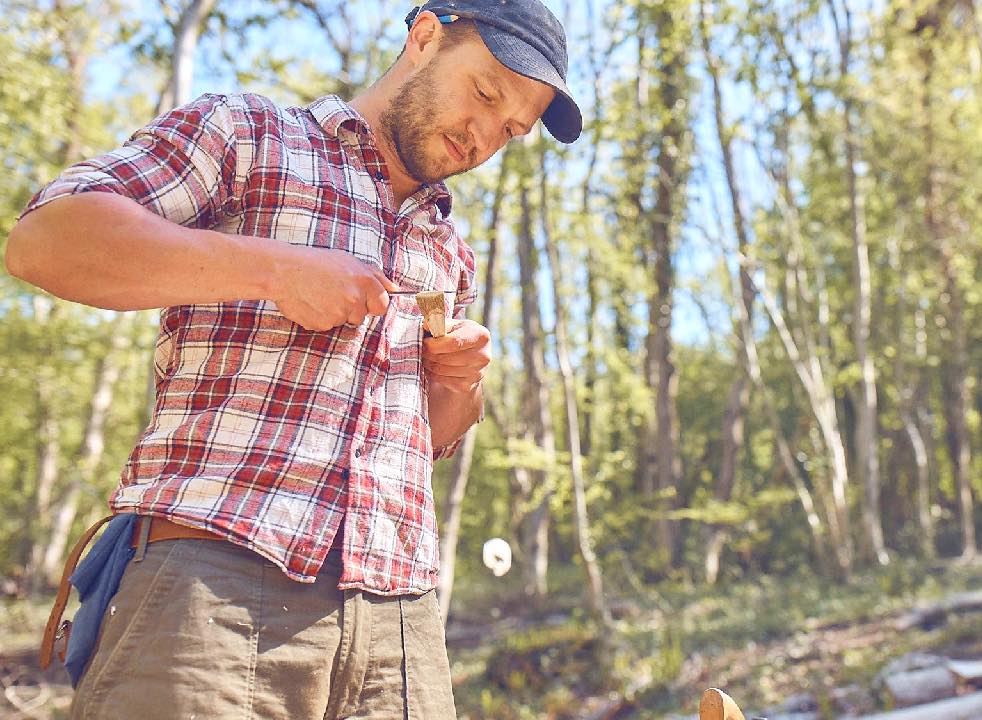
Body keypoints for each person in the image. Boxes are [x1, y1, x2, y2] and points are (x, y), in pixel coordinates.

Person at [4, 0, 581, 716]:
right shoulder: (249, 134)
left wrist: (458, 389)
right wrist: (273, 271)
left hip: (400, 628)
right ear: (426, 38)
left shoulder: (451, 255)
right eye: (486, 93)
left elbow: (421, 444)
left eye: (510, 129)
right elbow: (46, 242)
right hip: (213, 588)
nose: (483, 135)